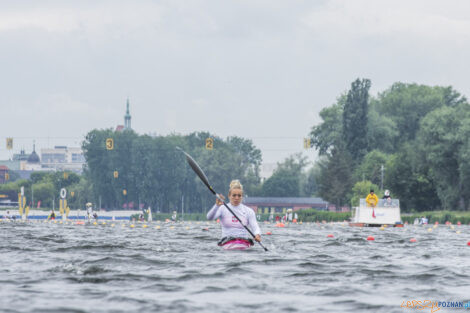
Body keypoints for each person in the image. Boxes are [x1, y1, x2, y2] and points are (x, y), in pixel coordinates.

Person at [207, 180, 262, 245]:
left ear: (242, 196)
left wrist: (257, 235)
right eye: (234, 195)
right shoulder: (223, 208)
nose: (236, 198)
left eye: (239, 196)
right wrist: (216, 206)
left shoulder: (249, 211)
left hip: (243, 242)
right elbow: (209, 217)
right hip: (226, 241)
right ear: (229, 196)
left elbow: (255, 227)